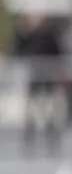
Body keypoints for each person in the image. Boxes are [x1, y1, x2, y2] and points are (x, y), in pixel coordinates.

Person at [11, 11, 68, 155]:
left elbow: (58, 54)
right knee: (31, 110)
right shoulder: (27, 35)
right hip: (33, 77)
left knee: (50, 109)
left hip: (48, 77)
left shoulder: (50, 35)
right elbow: (19, 52)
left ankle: (51, 139)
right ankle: (29, 139)